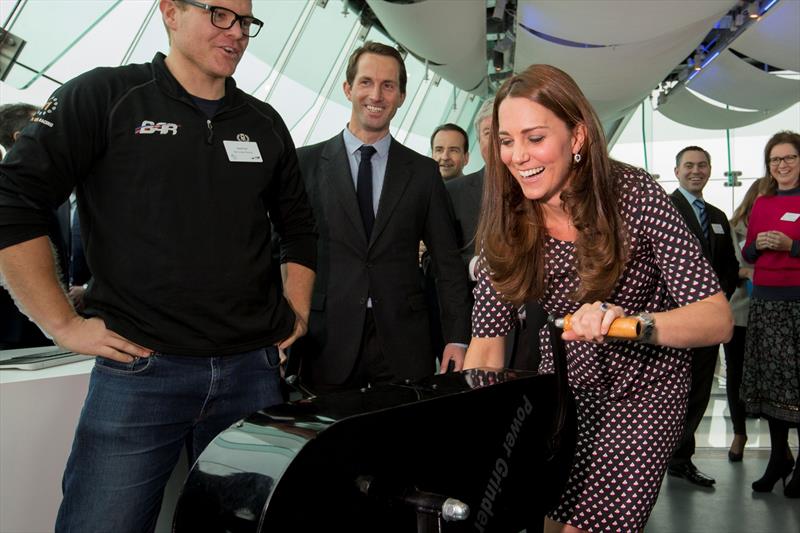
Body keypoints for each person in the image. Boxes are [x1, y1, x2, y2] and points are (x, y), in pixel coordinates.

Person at [0, 1, 317, 531]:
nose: (236, 33)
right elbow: (13, 200)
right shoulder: (103, 96)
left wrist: (297, 313)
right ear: (170, 11)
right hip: (140, 372)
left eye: (245, 22)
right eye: (220, 15)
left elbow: (300, 228)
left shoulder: (263, 123)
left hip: (250, 374)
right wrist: (60, 323)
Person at [463, 64, 732, 532]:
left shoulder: (633, 194)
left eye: (534, 137)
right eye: (506, 140)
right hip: (561, 395)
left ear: (578, 137)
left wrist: (632, 323)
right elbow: (486, 344)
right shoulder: (507, 216)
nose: (517, 155)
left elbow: (715, 317)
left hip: (643, 396)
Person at [293, 41, 471, 393]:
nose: (377, 94)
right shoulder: (305, 164)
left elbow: (447, 264)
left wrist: (457, 338)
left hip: (404, 343)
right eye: (366, 82)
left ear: (401, 96)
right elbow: (282, 254)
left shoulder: (422, 173)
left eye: (388, 85)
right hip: (326, 342)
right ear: (348, 88)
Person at [667, 146, 739, 487]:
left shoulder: (717, 216)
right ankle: (659, 457)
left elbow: (730, 267)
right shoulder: (664, 210)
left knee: (698, 393)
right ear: (677, 170)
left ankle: (681, 458)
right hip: (674, 323)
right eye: (690, 165)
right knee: (671, 394)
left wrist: (717, 303)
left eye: (702, 165)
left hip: (707, 326)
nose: (697, 170)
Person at [740, 130, 800, 498]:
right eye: (775, 160)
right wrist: (757, 246)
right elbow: (746, 254)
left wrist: (792, 246)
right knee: (772, 386)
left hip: (798, 303)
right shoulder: (762, 202)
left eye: (789, 158)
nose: (781, 165)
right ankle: (780, 458)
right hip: (765, 303)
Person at [0, 102, 68, 349]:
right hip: (13, 336)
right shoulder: (10, 193)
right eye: (44, 125)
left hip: (52, 334)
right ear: (20, 138)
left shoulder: (52, 187)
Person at [723, 178, 761, 462]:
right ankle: (739, 433)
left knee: (771, 378)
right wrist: (744, 273)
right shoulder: (733, 229)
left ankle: (781, 445)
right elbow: (725, 267)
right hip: (739, 313)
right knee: (736, 376)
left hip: (773, 312)